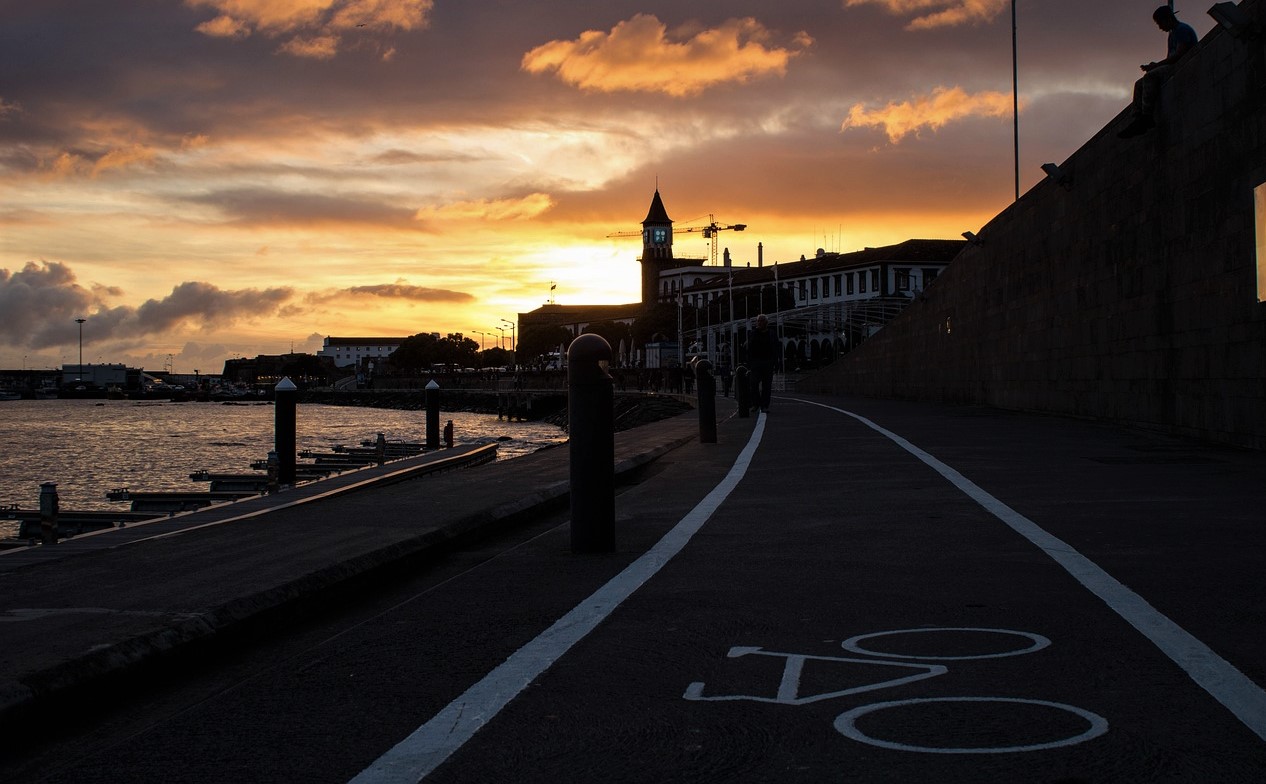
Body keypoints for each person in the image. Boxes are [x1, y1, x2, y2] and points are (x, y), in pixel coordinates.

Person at [1118, 6, 1198, 138]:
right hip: (1172, 65)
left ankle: (1147, 116)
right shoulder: (1172, 34)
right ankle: (1138, 118)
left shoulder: (1182, 30)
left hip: (1182, 64)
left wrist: (1156, 66)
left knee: (1150, 77)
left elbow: (1179, 54)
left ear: (1168, 19)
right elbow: (1170, 57)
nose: (1160, 27)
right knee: (1139, 84)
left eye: (1160, 23)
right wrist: (1155, 65)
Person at [746, 314, 779, 413]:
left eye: (761, 321)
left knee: (766, 385)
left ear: (766, 322)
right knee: (753, 383)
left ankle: (764, 405)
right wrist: (749, 362)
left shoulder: (771, 333)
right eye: (758, 321)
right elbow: (749, 348)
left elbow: (776, 348)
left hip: (768, 362)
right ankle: (756, 404)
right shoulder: (753, 333)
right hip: (756, 362)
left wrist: (776, 363)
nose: (759, 323)